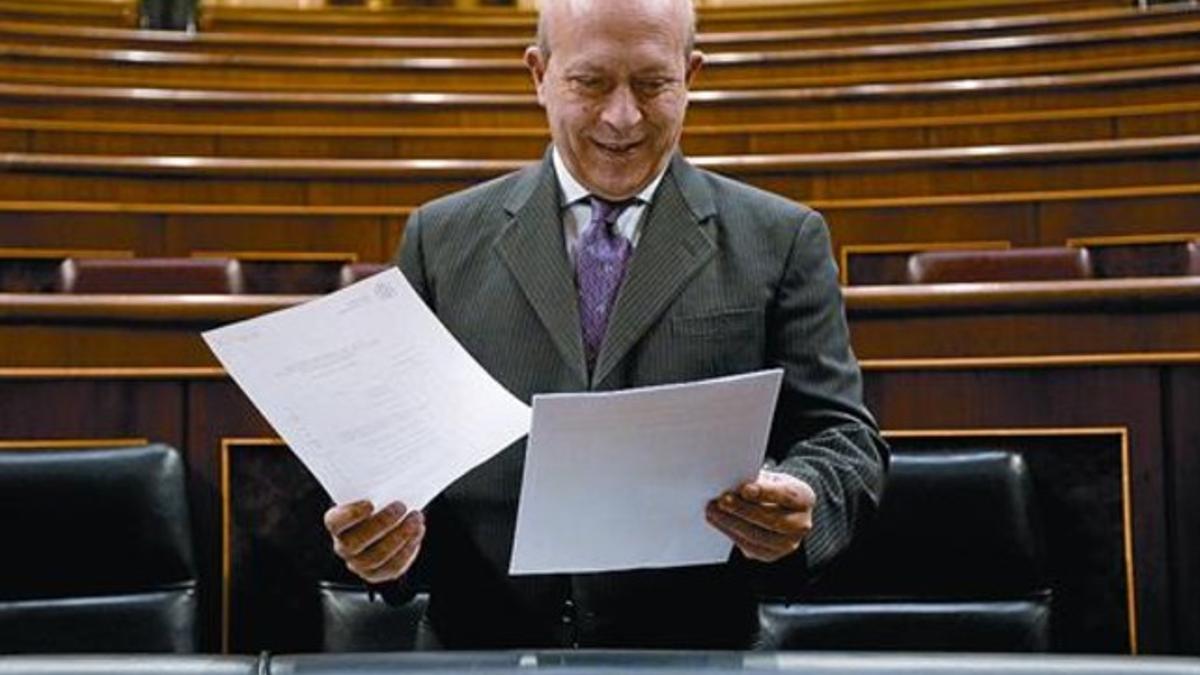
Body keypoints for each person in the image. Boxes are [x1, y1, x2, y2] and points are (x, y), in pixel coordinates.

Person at [322, 0, 887, 649]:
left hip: (693, 650)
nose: (623, 117)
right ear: (539, 74)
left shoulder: (782, 239)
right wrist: (381, 537)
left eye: (653, 84)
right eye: (591, 83)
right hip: (479, 647)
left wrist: (806, 496)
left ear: (691, 75)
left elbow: (842, 438)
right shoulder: (439, 239)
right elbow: (391, 454)